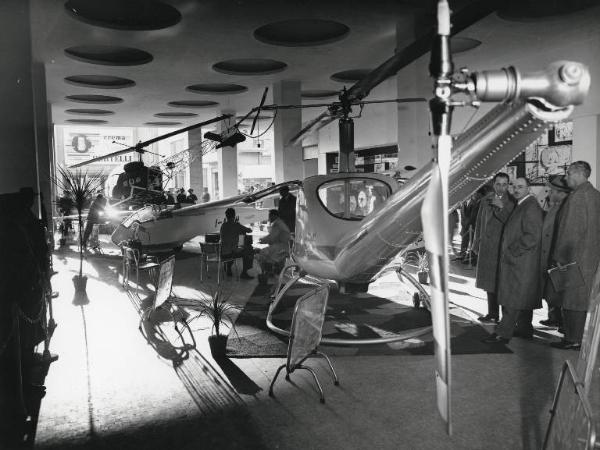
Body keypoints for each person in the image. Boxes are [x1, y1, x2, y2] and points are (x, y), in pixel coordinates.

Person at [483, 177, 544, 343]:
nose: (516, 189)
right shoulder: (523, 204)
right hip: (522, 262)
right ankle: (524, 329)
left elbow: (532, 236)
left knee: (512, 299)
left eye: (520, 187)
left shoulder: (530, 206)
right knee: (523, 298)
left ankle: (503, 334)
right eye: (514, 186)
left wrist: (511, 252)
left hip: (520, 261)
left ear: (529, 188)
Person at [550, 161, 600, 350]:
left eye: (568, 173)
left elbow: (569, 231)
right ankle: (576, 338)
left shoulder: (577, 197)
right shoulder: (595, 195)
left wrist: (559, 257)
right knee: (581, 299)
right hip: (590, 257)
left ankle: (573, 339)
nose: (565, 177)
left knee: (572, 300)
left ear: (579, 175)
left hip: (573, 257)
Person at [473, 173, 515, 323]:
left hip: (501, 248)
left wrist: (501, 206)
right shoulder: (486, 200)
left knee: (502, 283)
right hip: (487, 247)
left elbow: (512, 223)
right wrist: (476, 242)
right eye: (498, 184)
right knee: (489, 283)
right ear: (493, 184)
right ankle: (492, 313)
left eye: (505, 184)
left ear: (508, 185)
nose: (501, 188)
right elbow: (479, 222)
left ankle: (506, 318)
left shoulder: (512, 201)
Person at [539, 175, 571, 328]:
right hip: (549, 256)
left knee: (559, 292)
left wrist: (557, 256)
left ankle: (564, 324)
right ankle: (554, 317)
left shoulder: (565, 209)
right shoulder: (555, 206)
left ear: (560, 192)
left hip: (558, 257)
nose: (549, 193)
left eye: (552, 190)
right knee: (552, 291)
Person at [219, 208, 254, 279]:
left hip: (223, 252)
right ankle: (244, 273)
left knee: (232, 248)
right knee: (249, 250)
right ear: (234, 215)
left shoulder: (223, 225)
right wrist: (241, 227)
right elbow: (249, 230)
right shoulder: (237, 225)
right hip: (232, 252)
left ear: (226, 216)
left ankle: (228, 265)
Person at [255, 209, 290, 274]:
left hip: (280, 247)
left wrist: (262, 240)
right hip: (283, 246)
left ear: (274, 216)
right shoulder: (280, 223)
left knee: (261, 254)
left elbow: (271, 237)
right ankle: (271, 271)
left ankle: (265, 276)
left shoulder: (277, 224)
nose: (269, 218)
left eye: (270, 216)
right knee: (266, 253)